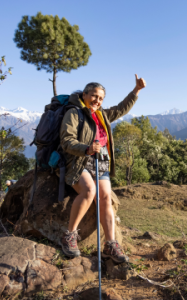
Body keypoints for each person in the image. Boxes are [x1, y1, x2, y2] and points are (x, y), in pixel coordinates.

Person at [59, 74, 146, 261]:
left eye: (100, 98)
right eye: (94, 96)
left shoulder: (102, 114)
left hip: (101, 162)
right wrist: (86, 148)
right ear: (84, 94)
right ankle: (69, 236)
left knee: (105, 197)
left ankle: (110, 244)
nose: (97, 101)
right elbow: (66, 141)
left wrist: (136, 90)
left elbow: (121, 108)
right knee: (89, 191)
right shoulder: (73, 113)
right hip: (78, 161)